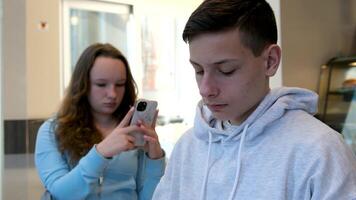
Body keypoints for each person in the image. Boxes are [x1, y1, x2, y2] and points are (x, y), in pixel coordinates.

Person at [152, 0, 356, 200]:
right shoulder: (188, 146)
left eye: (226, 70)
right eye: (198, 70)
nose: (206, 90)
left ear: (270, 61)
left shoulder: (320, 150)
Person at [35, 43, 165, 200]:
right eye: (101, 84)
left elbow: (149, 196)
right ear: (83, 84)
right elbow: (61, 194)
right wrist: (101, 153)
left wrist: (155, 160)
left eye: (120, 84)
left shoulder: (135, 129)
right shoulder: (51, 131)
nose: (112, 94)